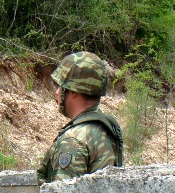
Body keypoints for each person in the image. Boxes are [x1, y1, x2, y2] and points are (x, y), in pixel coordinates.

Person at [37, 51, 124, 183]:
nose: (57, 92)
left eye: (61, 86)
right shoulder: (104, 129)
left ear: (73, 91)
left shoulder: (73, 140)